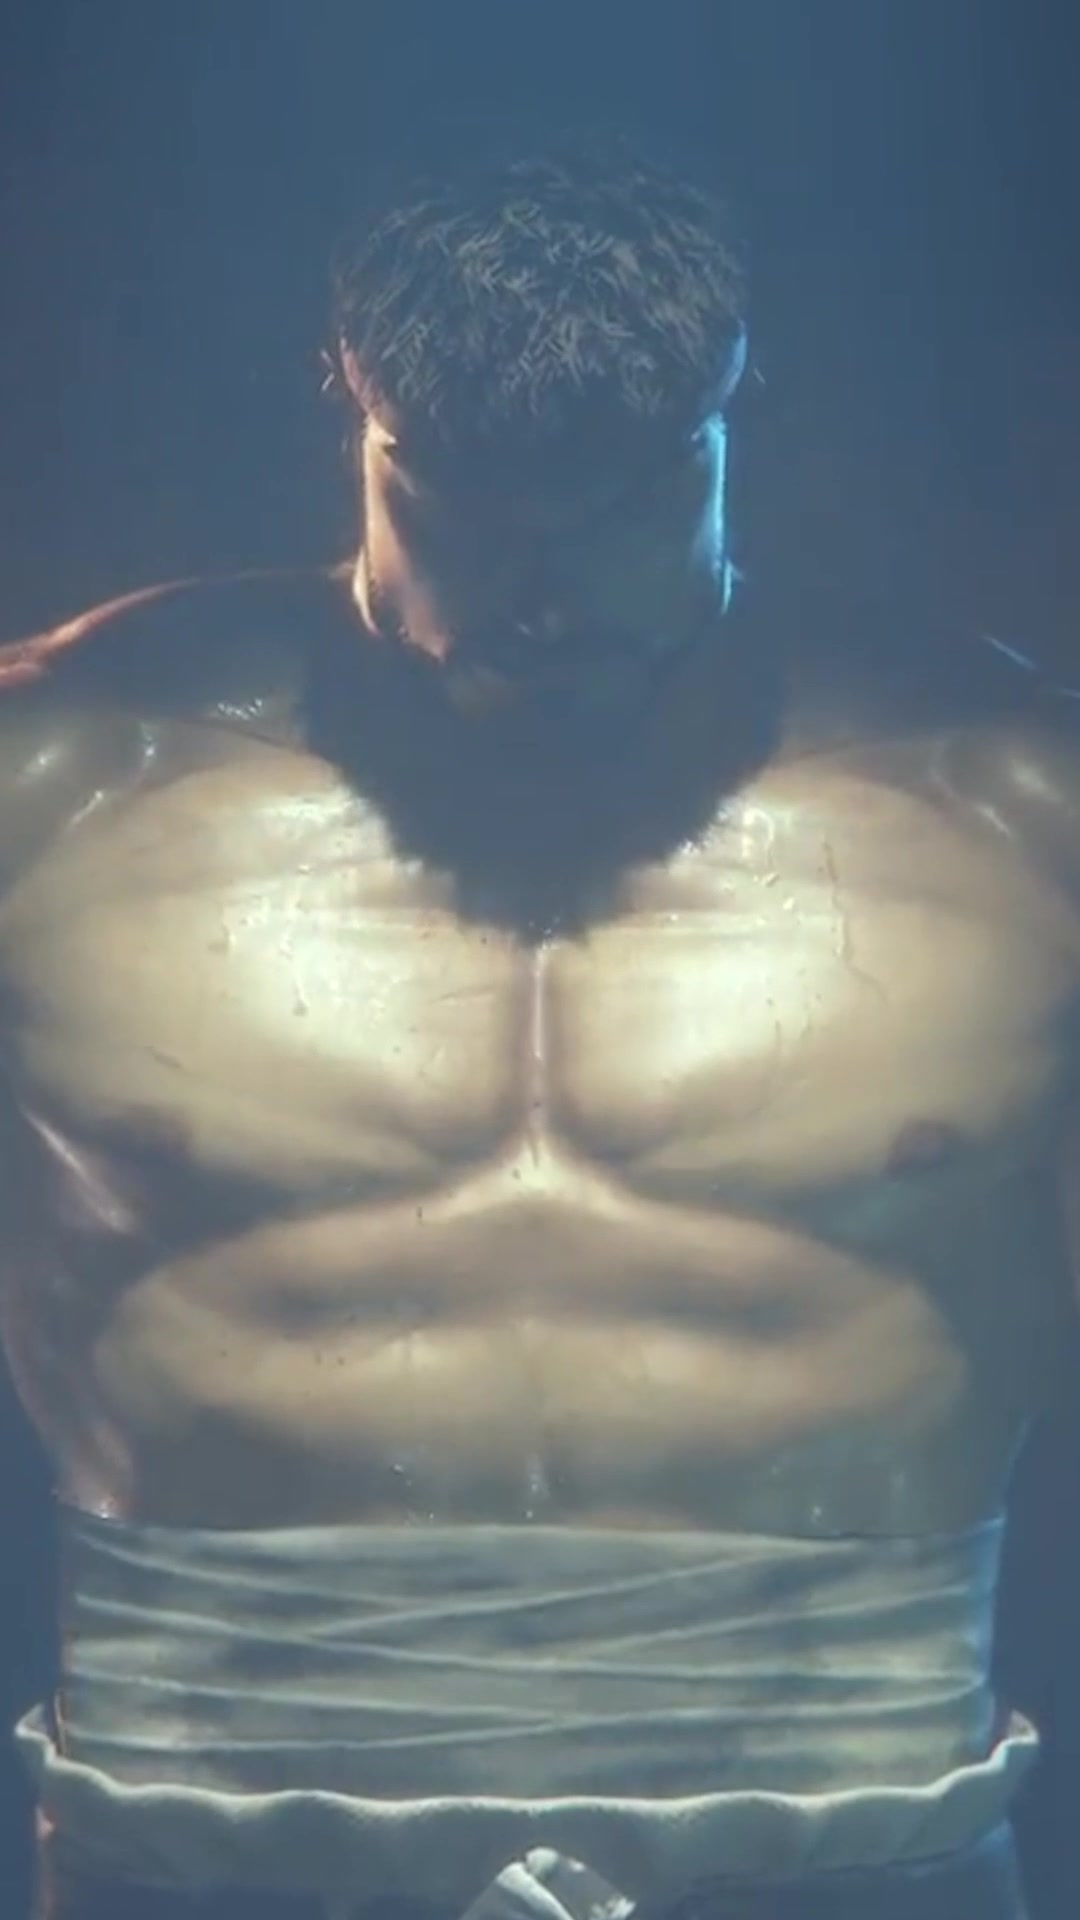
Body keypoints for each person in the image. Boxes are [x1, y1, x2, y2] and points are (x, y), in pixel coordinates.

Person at [0, 133, 1077, 1920]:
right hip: (202, 1866)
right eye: (465, 506)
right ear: (350, 393)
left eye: (629, 502)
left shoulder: (1028, 824)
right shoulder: (47, 790)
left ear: (737, 401)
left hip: (848, 1861)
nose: (548, 594)